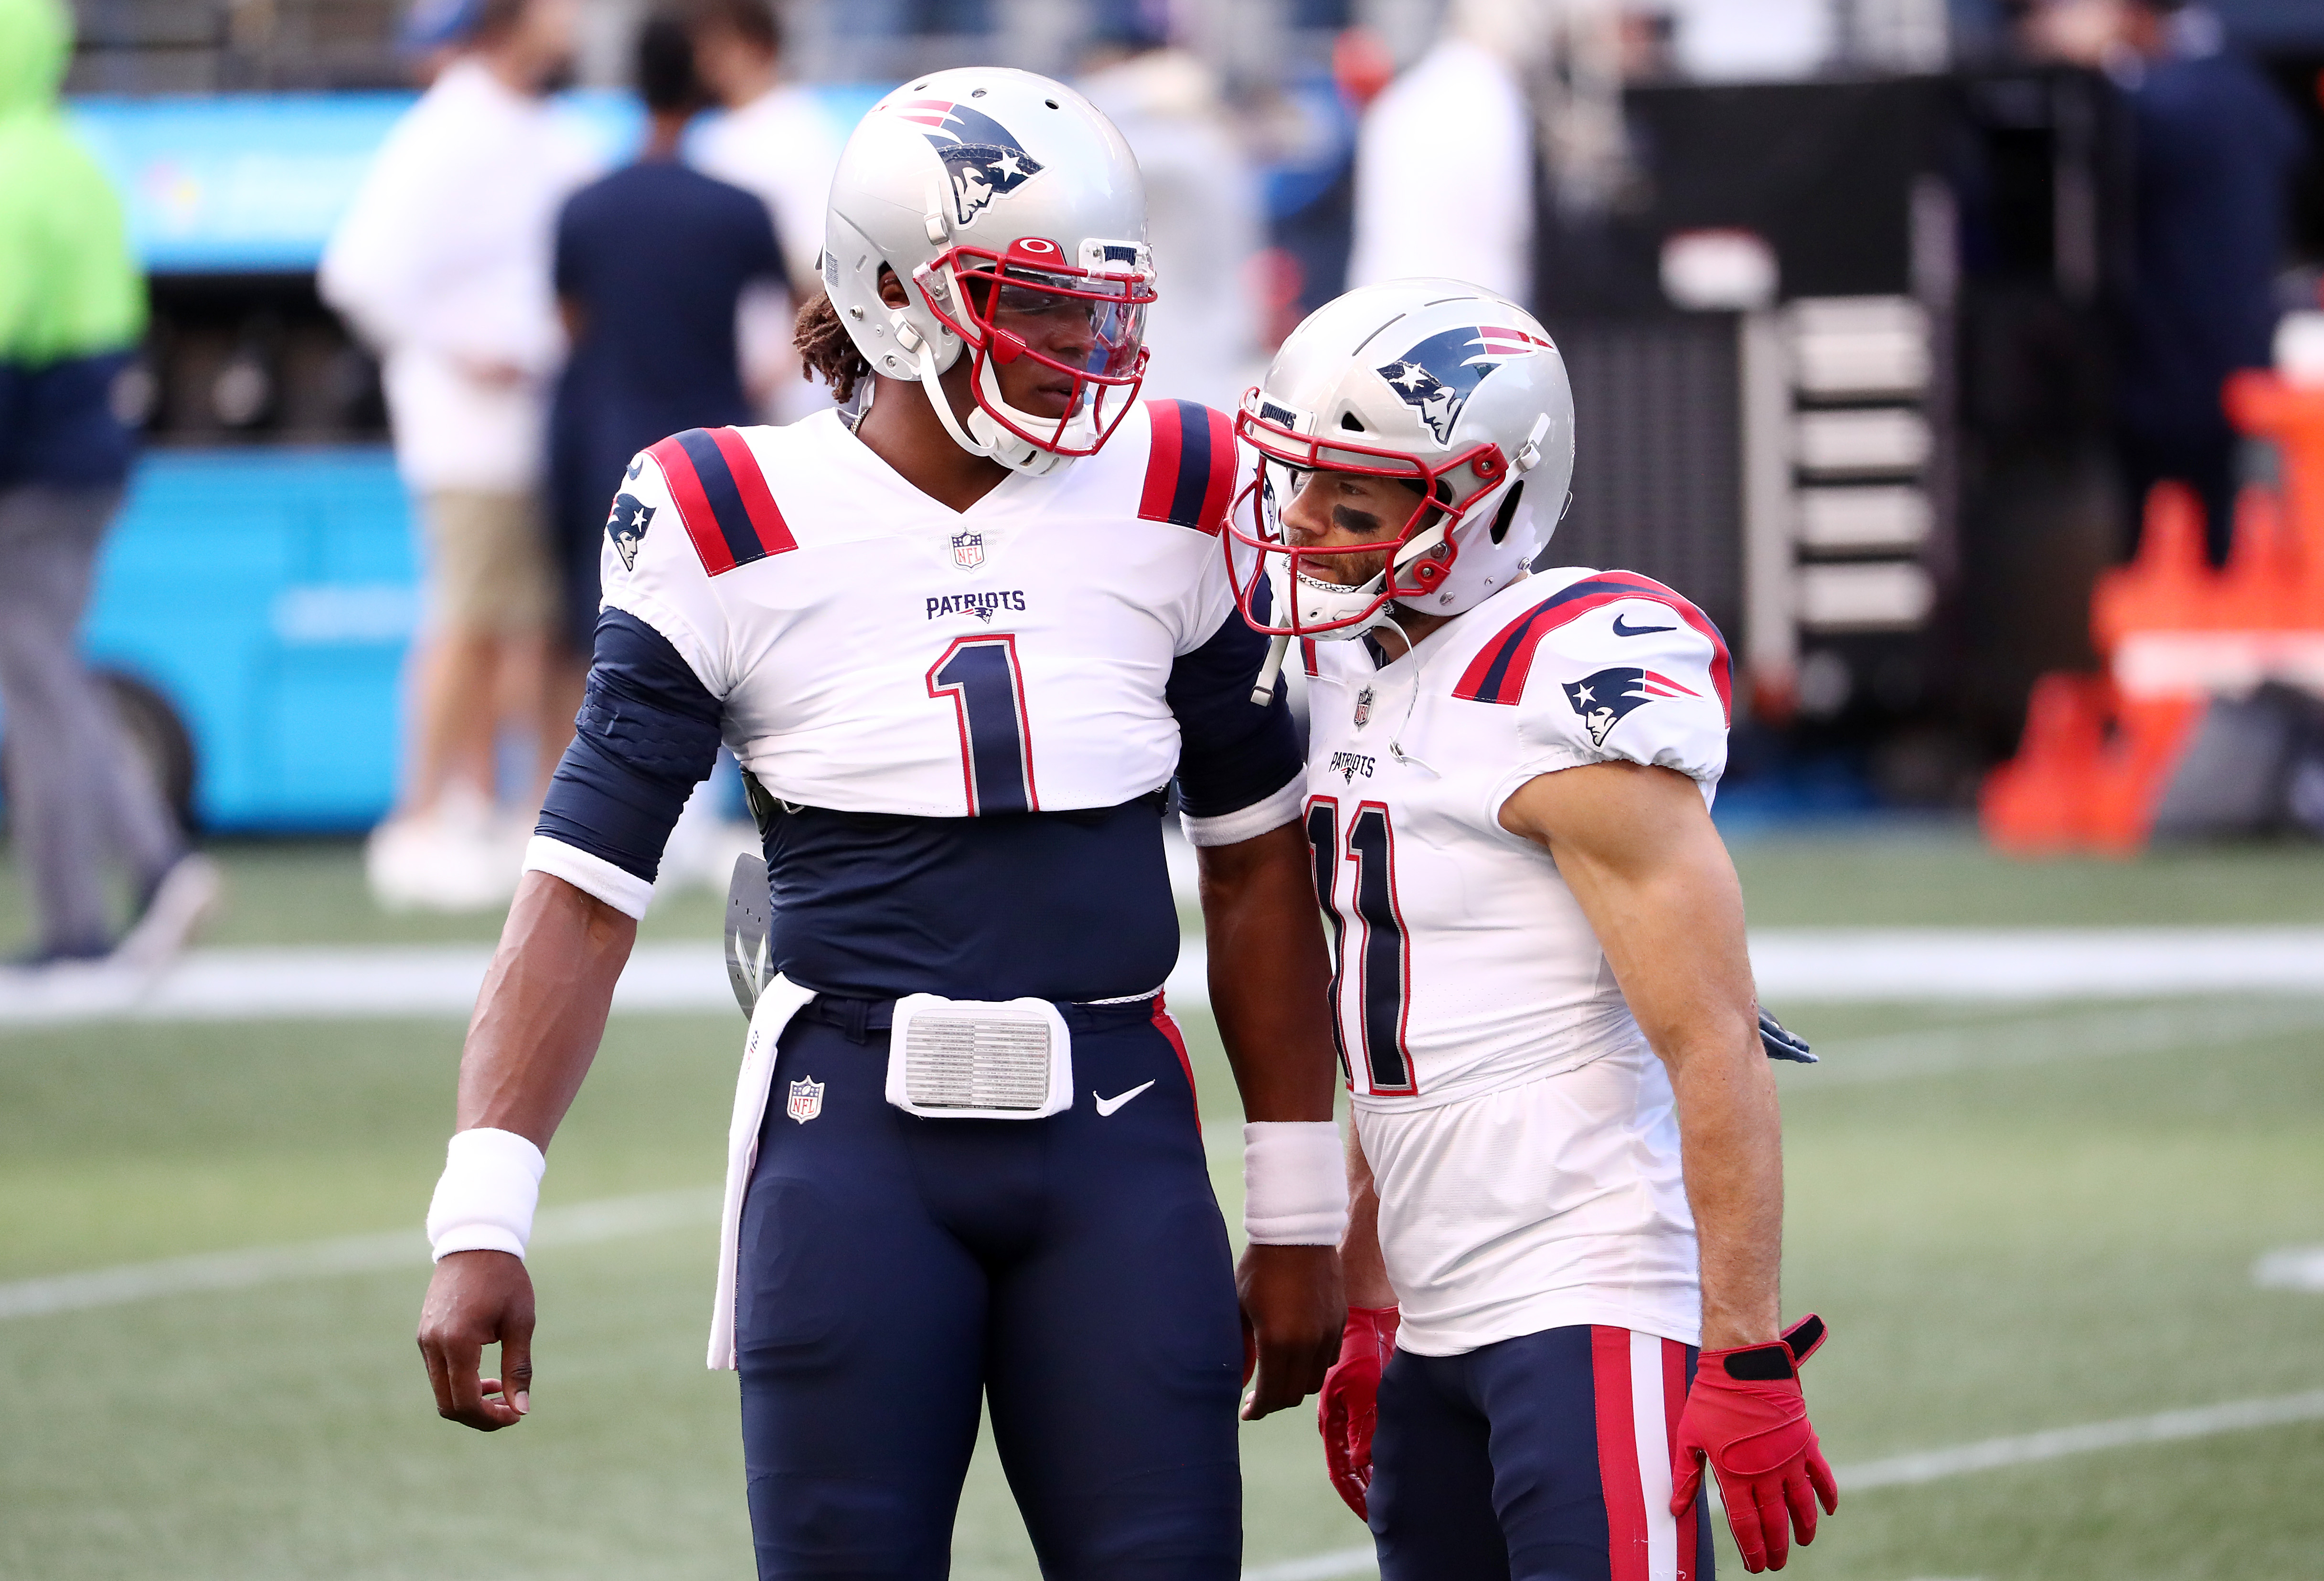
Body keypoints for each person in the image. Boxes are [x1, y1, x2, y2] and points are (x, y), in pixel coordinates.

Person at [414, 70, 1345, 1580]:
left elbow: (1254, 865)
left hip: (1116, 1131)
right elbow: (581, 889)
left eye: (1100, 308)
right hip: (850, 1143)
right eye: (1034, 306)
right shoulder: (722, 505)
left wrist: (1298, 1202)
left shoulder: (1183, 482)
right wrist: (482, 1211)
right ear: (895, 297)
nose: (1083, 350)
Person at [1223, 279, 1837, 1578]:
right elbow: (1407, 1030)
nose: (1307, 526)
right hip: (1440, 1310)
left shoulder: (1559, 684)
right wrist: (1372, 1296)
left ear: (1483, 499)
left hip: (1589, 1292)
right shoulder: (1355, 672)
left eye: (1356, 496)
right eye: (1301, 483)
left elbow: (1713, 1038)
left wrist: (1745, 1342)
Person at [320, 0, 598, 910]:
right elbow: (357, 274)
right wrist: (460, 347)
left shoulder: (552, 132)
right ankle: (417, 819)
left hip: (543, 426)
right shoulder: (446, 129)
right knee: (467, 619)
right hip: (466, 429)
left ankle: (508, 812)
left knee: (539, 629)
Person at [0, 0, 217, 973]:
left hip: (31, 463)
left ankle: (152, 861)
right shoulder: (79, 158)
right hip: (85, 452)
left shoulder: (9, 170)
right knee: (43, 676)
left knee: (41, 678)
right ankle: (79, 913)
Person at [547, 11, 786, 676]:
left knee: (611, 656)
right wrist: (763, 377)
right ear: (701, 82)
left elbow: (570, 325)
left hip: (610, 459)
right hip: (718, 462)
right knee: (733, 654)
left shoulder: (585, 207)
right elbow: (808, 313)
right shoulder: (737, 207)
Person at [2027, 0, 2306, 565]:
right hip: (2189, 363)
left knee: (2206, 557)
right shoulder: (2233, 83)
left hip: (2189, 366)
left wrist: (2091, 65)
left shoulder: (2186, 94)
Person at [688, 0, 842, 423]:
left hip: (788, 384)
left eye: (717, 45)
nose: (705, 59)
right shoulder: (708, 136)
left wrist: (787, 358)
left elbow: (817, 266)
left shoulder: (799, 130)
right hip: (721, 376)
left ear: (755, 45)